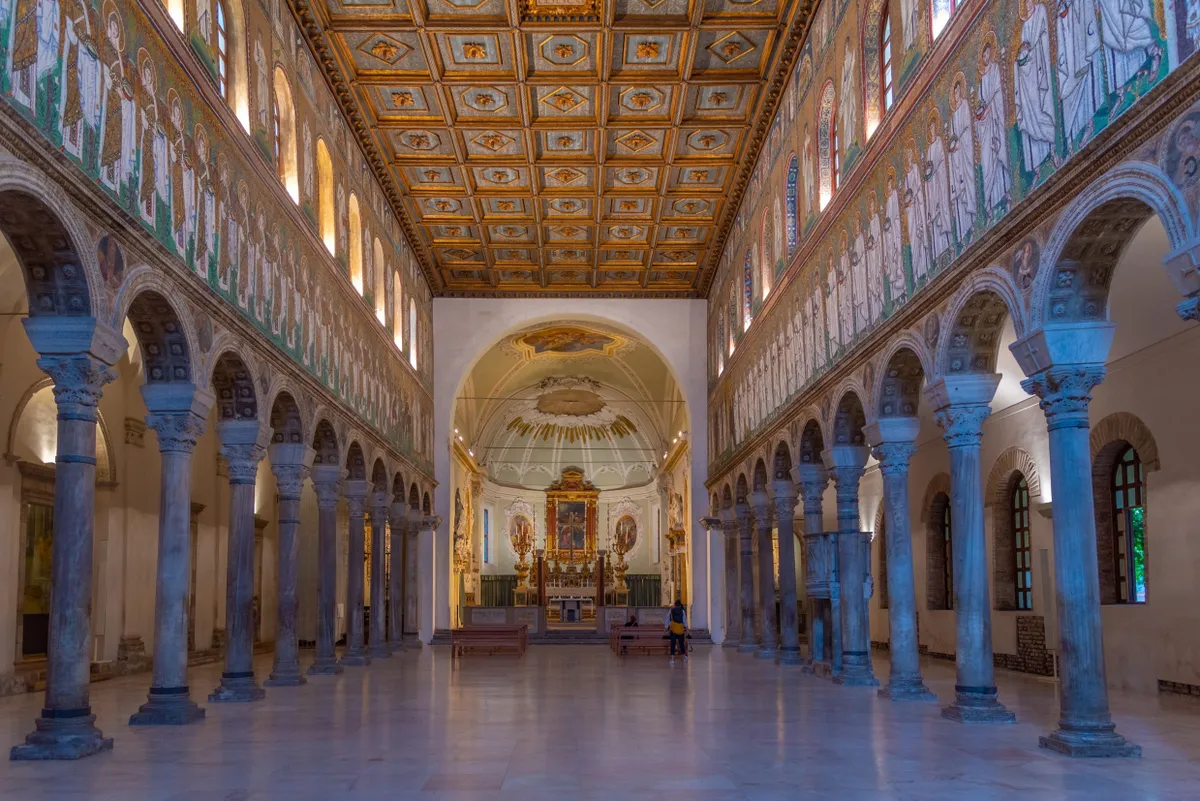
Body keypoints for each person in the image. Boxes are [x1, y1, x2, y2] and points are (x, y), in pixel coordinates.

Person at [665, 599, 688, 664]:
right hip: (680, 629)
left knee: (673, 644)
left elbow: (668, 619)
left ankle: (672, 659)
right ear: (680, 604)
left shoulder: (671, 610)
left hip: (673, 630)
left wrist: (666, 627)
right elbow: (684, 620)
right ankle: (684, 658)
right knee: (681, 644)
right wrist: (686, 627)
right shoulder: (682, 611)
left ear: (675, 604)